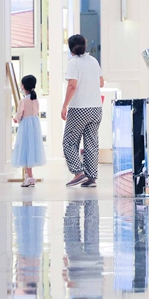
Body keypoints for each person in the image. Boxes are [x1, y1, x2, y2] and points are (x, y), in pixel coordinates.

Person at [61, 34, 104, 188]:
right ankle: (91, 177)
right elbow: (101, 83)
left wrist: (64, 105)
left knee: (69, 142)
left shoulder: (73, 63)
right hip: (96, 108)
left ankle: (78, 173)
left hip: (79, 108)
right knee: (91, 143)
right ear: (85, 45)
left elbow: (72, 85)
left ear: (70, 48)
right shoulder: (93, 61)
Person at [12, 75, 47, 188]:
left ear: (23, 86)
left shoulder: (23, 101)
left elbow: (19, 115)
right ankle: (29, 176)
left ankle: (29, 177)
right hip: (34, 125)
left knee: (25, 149)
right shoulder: (35, 99)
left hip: (25, 126)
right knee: (31, 149)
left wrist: (16, 119)